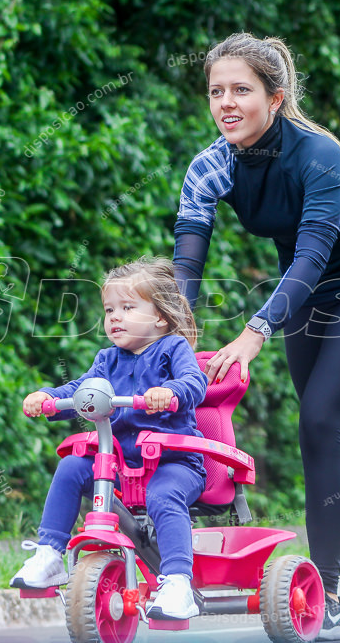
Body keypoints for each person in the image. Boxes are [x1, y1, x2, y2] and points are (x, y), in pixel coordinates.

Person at [172, 32, 340, 639]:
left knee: (320, 423)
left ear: (276, 97)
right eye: (216, 92)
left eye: (242, 90)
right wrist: (175, 336)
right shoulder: (211, 166)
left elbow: (314, 253)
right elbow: (187, 263)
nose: (226, 103)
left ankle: (328, 592)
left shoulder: (317, 154)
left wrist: (256, 329)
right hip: (306, 295)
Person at [11, 257, 209, 620]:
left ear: (160, 317)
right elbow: (83, 390)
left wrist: (170, 391)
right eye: (109, 310)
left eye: (128, 307)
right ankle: (50, 553)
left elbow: (195, 383)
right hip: (120, 463)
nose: (114, 317)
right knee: (72, 467)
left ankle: (178, 581)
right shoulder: (108, 360)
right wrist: (50, 398)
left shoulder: (173, 349)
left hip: (173, 463)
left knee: (164, 494)